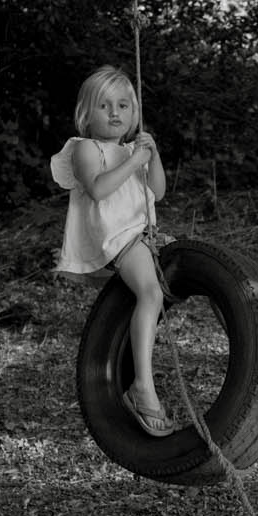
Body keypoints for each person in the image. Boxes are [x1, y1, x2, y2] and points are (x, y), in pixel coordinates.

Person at [51, 66, 174, 436]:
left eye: (123, 105)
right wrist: (134, 161)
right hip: (119, 240)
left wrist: (151, 157)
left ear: (134, 113)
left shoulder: (130, 149)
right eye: (105, 106)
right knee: (151, 293)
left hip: (143, 233)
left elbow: (159, 192)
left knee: (183, 271)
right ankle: (142, 386)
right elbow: (99, 189)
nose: (115, 113)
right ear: (87, 114)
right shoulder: (85, 149)